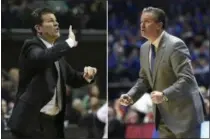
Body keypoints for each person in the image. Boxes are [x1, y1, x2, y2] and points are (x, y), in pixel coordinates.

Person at [8, 8, 97, 139]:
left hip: (52, 124)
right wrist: (69, 42)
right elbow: (42, 58)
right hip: (31, 123)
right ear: (39, 28)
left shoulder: (57, 55)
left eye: (56, 21)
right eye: (50, 21)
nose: (56, 24)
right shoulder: (31, 46)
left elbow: (72, 78)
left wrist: (86, 76)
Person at [119, 7, 206, 138]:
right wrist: (131, 96)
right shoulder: (144, 48)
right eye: (141, 21)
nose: (142, 25)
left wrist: (164, 95)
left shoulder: (175, 45)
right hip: (163, 115)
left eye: (147, 21)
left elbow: (187, 79)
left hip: (185, 115)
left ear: (159, 25)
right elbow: (144, 79)